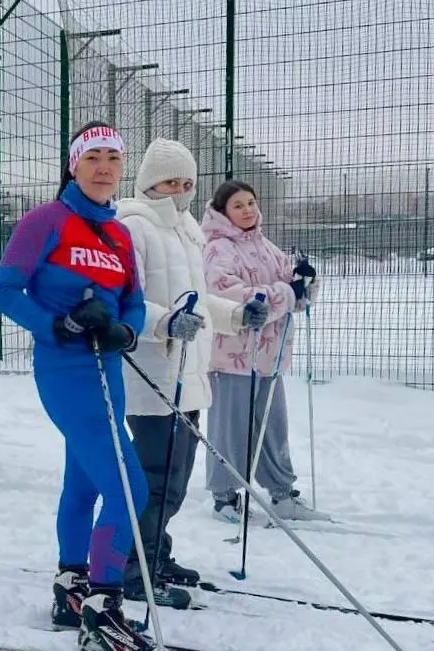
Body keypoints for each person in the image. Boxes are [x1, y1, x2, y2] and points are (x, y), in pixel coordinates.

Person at [0, 121, 156, 649]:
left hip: (107, 369)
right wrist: (56, 324)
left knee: (86, 483)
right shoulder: (47, 221)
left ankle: (72, 588)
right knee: (130, 487)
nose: (104, 166)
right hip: (65, 370)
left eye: (113, 157)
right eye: (93, 157)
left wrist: (124, 330)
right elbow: (5, 290)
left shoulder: (120, 233)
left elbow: (132, 299)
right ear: (73, 165)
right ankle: (105, 605)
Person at [114, 139, 270, 609]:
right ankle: (128, 566)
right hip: (152, 373)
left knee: (176, 479)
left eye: (186, 183)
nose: (178, 191)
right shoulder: (133, 227)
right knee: (154, 477)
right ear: (147, 183)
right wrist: (163, 321)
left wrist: (238, 314)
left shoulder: (187, 230)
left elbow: (198, 299)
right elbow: (125, 301)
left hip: (190, 373)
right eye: (168, 182)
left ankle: (156, 553)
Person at [201, 179, 327, 522]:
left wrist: (304, 283)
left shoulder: (265, 246)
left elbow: (290, 290)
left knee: (273, 426)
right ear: (223, 212)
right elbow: (228, 295)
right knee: (231, 427)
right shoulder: (216, 248)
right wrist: (285, 293)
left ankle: (282, 493)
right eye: (238, 205)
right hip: (232, 356)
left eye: (251, 203)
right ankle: (224, 496)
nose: (247, 210)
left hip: (269, 356)